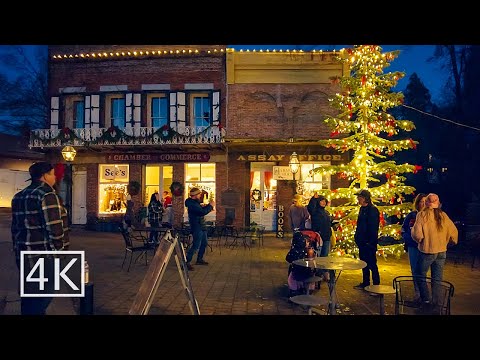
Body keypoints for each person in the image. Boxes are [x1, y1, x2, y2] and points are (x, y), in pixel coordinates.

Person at [11, 161, 67, 315]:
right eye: (53, 173)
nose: (55, 177)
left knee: (30, 293)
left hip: (23, 253)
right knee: (44, 294)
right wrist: (61, 252)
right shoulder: (47, 194)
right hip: (42, 253)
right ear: (44, 176)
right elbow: (55, 228)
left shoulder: (18, 196)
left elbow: (15, 227)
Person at [411, 193, 458, 304]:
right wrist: (449, 242)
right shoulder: (443, 215)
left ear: (427, 202)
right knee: (437, 278)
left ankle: (426, 299)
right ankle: (436, 301)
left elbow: (417, 234)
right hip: (442, 251)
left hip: (427, 250)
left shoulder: (422, 215)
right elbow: (454, 232)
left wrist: (420, 240)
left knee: (419, 274)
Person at [353, 189, 380, 290]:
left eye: (359, 197)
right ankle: (366, 283)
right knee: (364, 263)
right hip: (362, 242)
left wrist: (370, 242)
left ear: (364, 198)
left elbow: (373, 228)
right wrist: (357, 237)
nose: (358, 199)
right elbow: (360, 225)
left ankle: (376, 285)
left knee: (372, 264)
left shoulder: (372, 210)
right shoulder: (362, 209)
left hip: (369, 243)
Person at [401, 193, 427, 296]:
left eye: (425, 202)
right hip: (413, 246)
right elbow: (404, 229)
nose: (423, 204)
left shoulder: (428, 216)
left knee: (422, 271)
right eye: (421, 201)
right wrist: (409, 238)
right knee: (415, 270)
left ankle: (424, 294)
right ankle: (418, 293)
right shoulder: (412, 215)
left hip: (425, 246)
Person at [185, 187, 215, 271]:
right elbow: (201, 212)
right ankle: (186, 261)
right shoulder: (192, 204)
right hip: (197, 226)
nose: (200, 195)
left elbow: (200, 210)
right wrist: (210, 206)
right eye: (199, 194)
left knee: (204, 243)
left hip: (201, 226)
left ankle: (199, 259)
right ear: (195, 195)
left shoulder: (195, 203)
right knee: (196, 245)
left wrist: (205, 206)